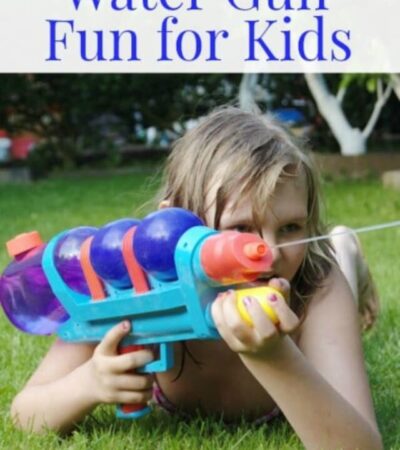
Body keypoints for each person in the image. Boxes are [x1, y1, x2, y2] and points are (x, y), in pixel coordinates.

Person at [11, 107, 382, 449]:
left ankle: (341, 247)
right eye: (241, 227)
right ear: (171, 226)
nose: (270, 251)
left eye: (290, 227)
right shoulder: (130, 286)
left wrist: (273, 357)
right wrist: (87, 383)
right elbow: (25, 414)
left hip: (323, 273)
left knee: (334, 265)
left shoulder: (313, 282)